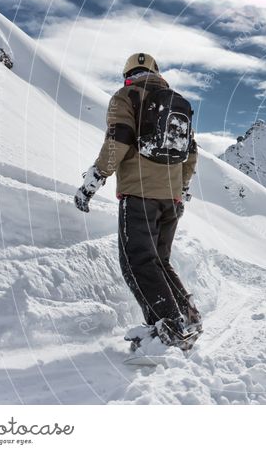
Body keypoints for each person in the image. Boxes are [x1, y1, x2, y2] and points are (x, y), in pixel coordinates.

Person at [74, 52, 202, 350]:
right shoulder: (174, 101)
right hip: (170, 201)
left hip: (140, 196)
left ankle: (167, 329)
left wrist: (95, 178)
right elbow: (191, 154)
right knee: (159, 261)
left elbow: (118, 140)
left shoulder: (125, 97)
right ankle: (187, 316)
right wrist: (179, 189)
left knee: (137, 263)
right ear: (156, 73)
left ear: (128, 75)